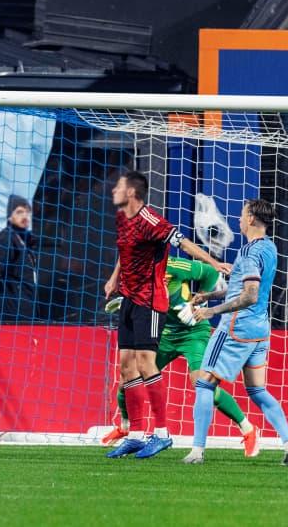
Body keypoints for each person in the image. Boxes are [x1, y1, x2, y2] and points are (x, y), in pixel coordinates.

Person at [104, 170, 230, 460]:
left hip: (150, 300)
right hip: (129, 300)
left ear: (133, 193)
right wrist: (114, 279)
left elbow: (183, 243)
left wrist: (214, 262)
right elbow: (125, 252)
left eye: (119, 187)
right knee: (126, 368)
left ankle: (162, 433)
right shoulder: (123, 218)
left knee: (146, 363)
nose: (113, 190)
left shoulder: (152, 221)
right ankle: (136, 435)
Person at [184, 199, 288, 465]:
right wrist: (209, 296)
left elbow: (248, 295)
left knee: (204, 383)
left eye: (241, 214)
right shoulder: (269, 248)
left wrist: (213, 312)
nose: (238, 219)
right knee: (257, 390)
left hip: (237, 327)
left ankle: (197, 451)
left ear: (250, 218)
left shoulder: (250, 253)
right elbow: (243, 287)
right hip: (260, 329)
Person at [101, 256, 258, 456]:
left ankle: (248, 429)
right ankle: (125, 427)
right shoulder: (138, 269)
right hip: (165, 334)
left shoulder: (174, 265)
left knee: (202, 382)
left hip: (193, 332)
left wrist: (197, 302)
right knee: (129, 378)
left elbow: (210, 272)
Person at [0, 194, 38, 321]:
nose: (25, 216)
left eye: (27, 212)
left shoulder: (25, 242)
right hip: (11, 314)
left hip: (25, 312)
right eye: (19, 212)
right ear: (10, 215)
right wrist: (10, 294)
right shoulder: (6, 238)